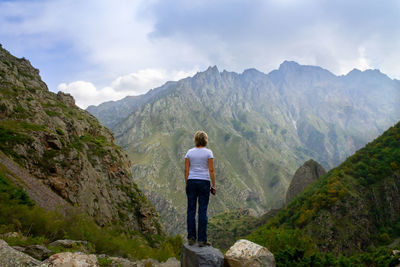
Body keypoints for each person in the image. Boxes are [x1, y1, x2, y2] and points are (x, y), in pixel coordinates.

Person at [184, 131, 216, 247]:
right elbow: (211, 170)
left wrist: (187, 183)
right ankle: (202, 240)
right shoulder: (208, 153)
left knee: (191, 210)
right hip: (204, 182)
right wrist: (213, 185)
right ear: (205, 140)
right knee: (202, 211)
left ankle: (191, 238)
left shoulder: (189, 152)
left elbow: (186, 170)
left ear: (196, 140)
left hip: (191, 181)